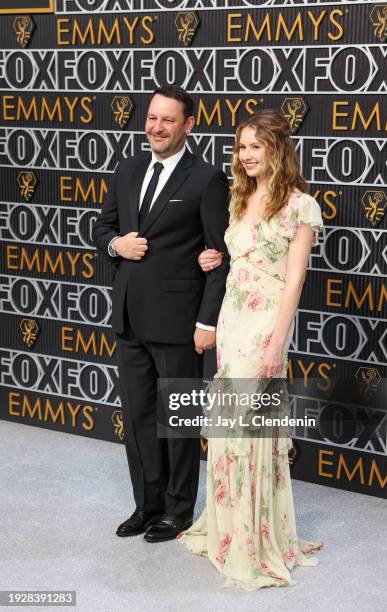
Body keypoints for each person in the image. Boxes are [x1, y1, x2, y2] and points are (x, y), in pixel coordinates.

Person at [178, 109, 324, 589]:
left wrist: (276, 343)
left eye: (255, 147)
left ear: (277, 149)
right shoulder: (241, 197)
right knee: (226, 429)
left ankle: (256, 539)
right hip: (233, 318)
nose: (245, 156)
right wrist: (210, 256)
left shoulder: (301, 206)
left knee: (250, 431)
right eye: (241, 147)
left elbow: (295, 282)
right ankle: (228, 533)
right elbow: (236, 258)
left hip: (265, 326)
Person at [92, 86, 229, 542]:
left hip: (179, 323)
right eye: (152, 118)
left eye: (167, 120)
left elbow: (219, 255)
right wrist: (117, 246)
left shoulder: (206, 179)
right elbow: (102, 227)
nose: (156, 127)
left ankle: (177, 511)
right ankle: (146, 505)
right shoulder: (128, 168)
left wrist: (206, 322)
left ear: (188, 125)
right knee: (139, 420)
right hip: (129, 317)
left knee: (178, 423)